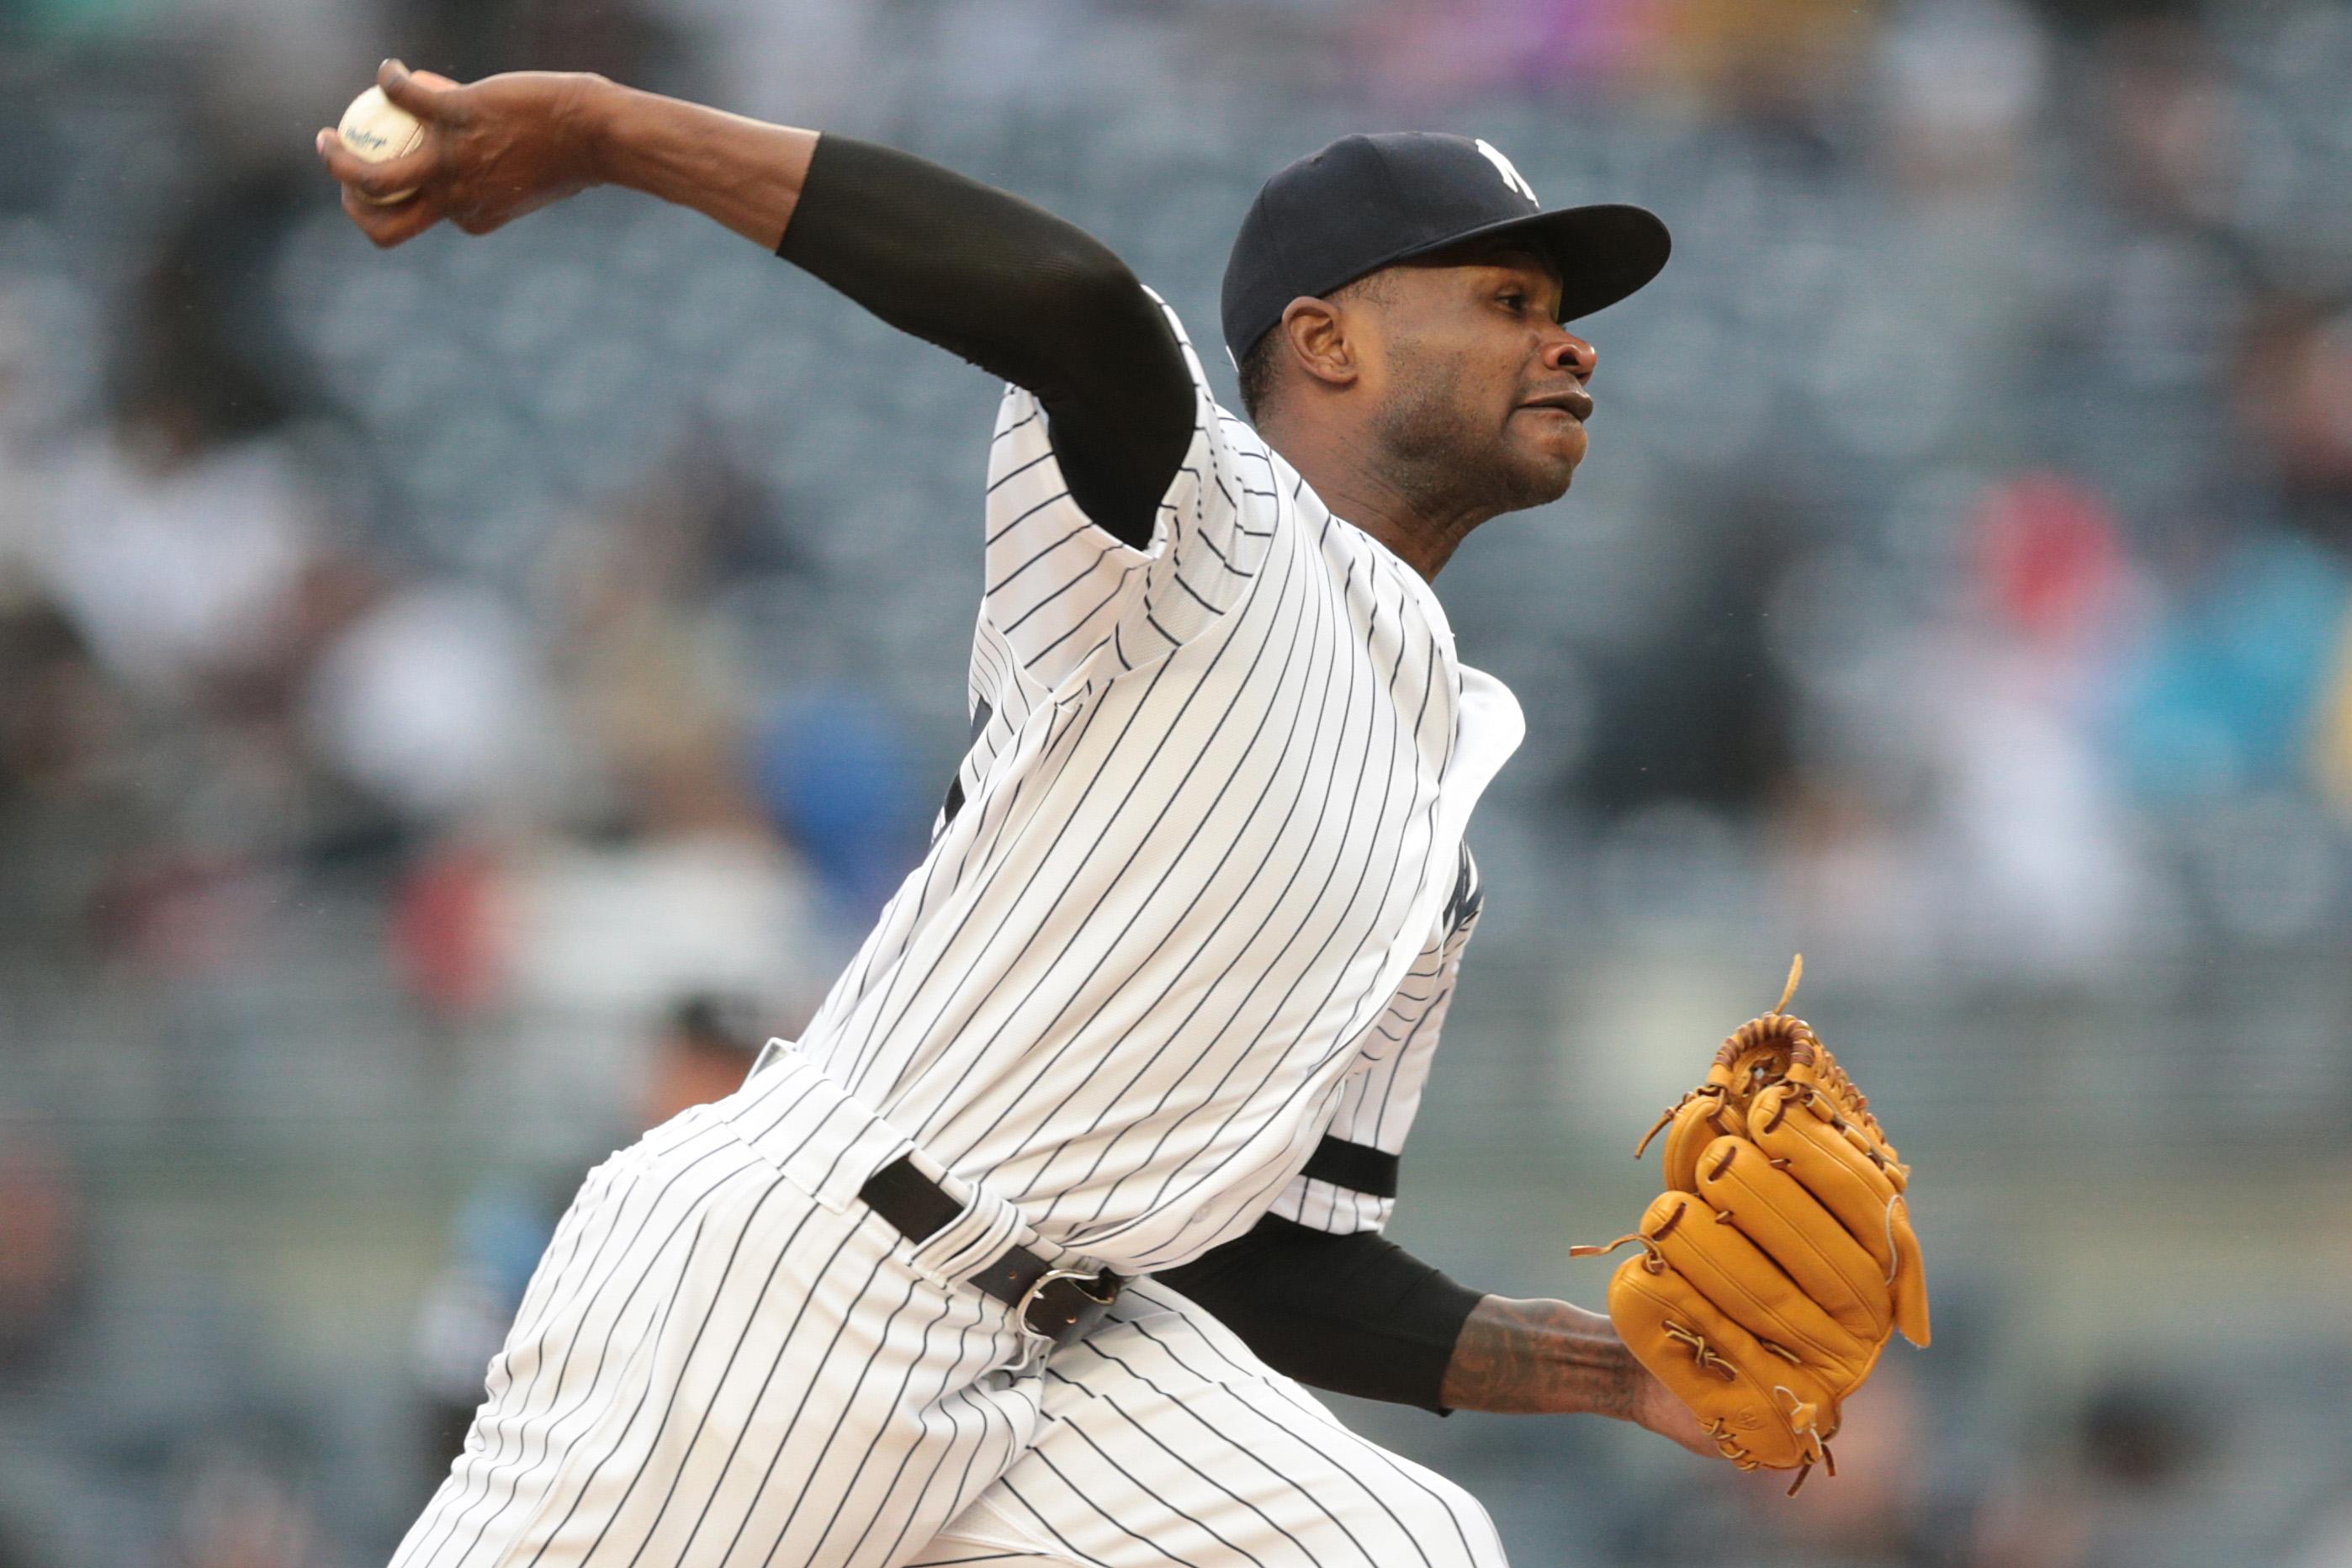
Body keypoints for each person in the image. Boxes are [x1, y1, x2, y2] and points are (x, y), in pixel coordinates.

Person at [317, 58, 1702, 1568]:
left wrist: (1618, 1371)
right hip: (798, 1290)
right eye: (1508, 299)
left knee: (1405, 1551)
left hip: (1070, 1357)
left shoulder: (1435, 803)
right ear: (1326, 340)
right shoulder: (1203, 524)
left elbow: (1279, 1268)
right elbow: (1066, 302)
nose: (1568, 345)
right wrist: (605, 131)